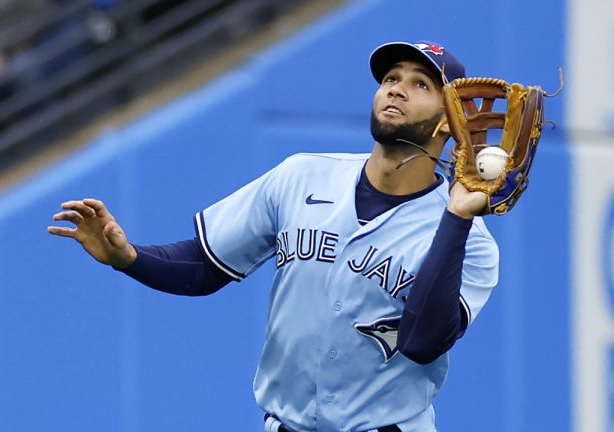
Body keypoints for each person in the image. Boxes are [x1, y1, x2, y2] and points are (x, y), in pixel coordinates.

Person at [48, 40, 499, 432]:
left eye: (421, 83)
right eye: (390, 78)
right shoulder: (301, 176)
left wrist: (456, 217)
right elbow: (207, 266)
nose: (396, 87)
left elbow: (424, 342)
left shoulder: (471, 241)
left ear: (449, 121)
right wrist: (129, 257)